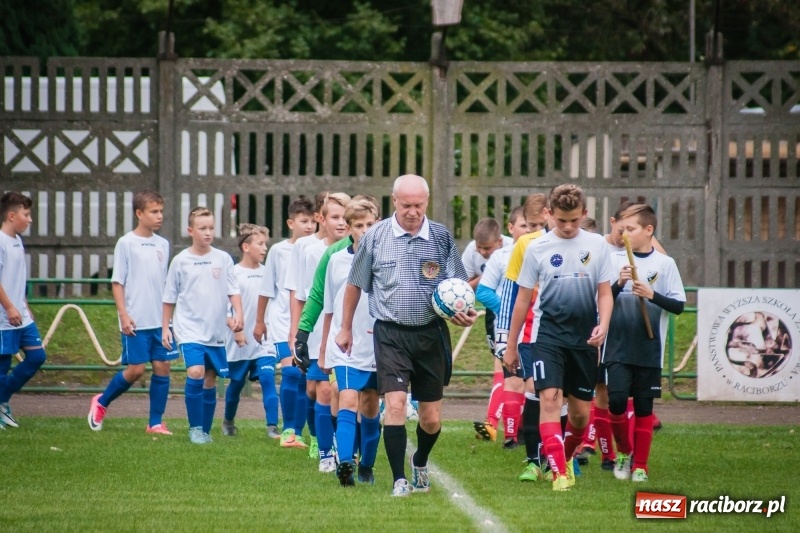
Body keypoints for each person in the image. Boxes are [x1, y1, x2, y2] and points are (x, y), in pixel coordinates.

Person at [335, 174, 478, 497]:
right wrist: (345, 328)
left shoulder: (440, 238)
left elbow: (458, 287)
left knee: (430, 418)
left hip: (430, 335)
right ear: (394, 201)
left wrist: (463, 313)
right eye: (406, 205)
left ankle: (420, 460)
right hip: (390, 333)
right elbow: (355, 283)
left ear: (426, 202)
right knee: (396, 405)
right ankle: (399, 479)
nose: (412, 211)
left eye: (418, 205)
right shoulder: (375, 237)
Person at [503, 184, 613, 491]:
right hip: (547, 337)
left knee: (579, 416)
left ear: (585, 215)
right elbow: (522, 300)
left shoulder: (597, 245)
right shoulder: (535, 247)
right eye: (561, 220)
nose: (567, 227)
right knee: (549, 400)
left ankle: (562, 458)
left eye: (574, 221)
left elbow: (605, 292)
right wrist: (511, 347)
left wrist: (603, 324)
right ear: (550, 214)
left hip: (584, 341)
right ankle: (560, 474)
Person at [606, 203, 685, 482]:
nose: (623, 234)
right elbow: (599, 301)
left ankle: (641, 465)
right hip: (616, 345)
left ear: (648, 230)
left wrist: (652, 295)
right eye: (622, 229)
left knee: (643, 408)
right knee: (615, 401)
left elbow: (678, 305)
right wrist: (617, 284)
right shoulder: (614, 260)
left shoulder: (665, 264)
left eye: (631, 229)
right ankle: (624, 451)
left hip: (649, 347)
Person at [88, 191, 177, 433]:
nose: (159, 216)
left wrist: (168, 320)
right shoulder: (126, 243)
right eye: (153, 212)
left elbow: (165, 284)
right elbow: (118, 282)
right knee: (136, 370)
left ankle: (155, 423)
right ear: (139, 214)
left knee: (163, 367)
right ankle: (101, 401)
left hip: (160, 321)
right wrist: (124, 315)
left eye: (161, 211)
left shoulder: (163, 244)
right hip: (136, 320)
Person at [162, 206, 243, 444]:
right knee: (195, 372)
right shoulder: (180, 261)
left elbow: (233, 290)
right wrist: (165, 326)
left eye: (210, 228)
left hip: (216, 330)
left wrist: (238, 313)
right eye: (202, 228)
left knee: (209, 378)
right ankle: (195, 429)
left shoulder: (223, 258)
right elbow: (169, 297)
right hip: (188, 329)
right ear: (190, 231)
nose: (207, 233)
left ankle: (205, 431)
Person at [320, 196, 382, 486]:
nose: (365, 230)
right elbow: (328, 310)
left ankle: (366, 465)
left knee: (370, 404)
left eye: (370, 224)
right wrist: (323, 350)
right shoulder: (336, 260)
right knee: (346, 398)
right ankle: (345, 462)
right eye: (359, 225)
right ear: (349, 228)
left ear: (379, 224)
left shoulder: (387, 258)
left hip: (379, 345)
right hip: (345, 345)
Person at [293, 192, 351, 472]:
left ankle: (345, 449)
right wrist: (298, 334)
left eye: (345, 217)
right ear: (322, 219)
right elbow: (305, 296)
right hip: (320, 334)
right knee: (322, 392)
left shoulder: (362, 250)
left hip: (352, 337)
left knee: (344, 392)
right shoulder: (312, 251)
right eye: (335, 217)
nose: (341, 223)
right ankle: (324, 449)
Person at [254, 195, 316, 448]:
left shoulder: (317, 249)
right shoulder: (279, 251)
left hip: (309, 324)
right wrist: (259, 321)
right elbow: (267, 289)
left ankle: (304, 432)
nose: (309, 226)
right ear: (291, 223)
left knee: (306, 379)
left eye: (313, 221)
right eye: (304, 221)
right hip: (282, 323)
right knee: (291, 372)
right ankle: (290, 429)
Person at [474, 207, 528, 448]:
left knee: (530, 381)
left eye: (534, 225)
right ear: (511, 229)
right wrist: (509, 310)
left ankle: (522, 428)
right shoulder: (502, 255)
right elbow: (482, 290)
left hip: (539, 326)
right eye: (525, 225)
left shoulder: (548, 250)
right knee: (506, 373)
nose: (530, 230)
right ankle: (495, 426)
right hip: (504, 324)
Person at [222, 224, 281, 439]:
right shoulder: (234, 274)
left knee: (268, 378)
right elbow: (224, 308)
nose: (265, 248)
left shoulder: (268, 273)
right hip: (240, 341)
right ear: (246, 247)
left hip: (264, 340)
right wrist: (235, 329)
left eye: (266, 244)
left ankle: (272, 427)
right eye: (260, 244)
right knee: (236, 384)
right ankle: (228, 421)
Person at [284, 191, 331, 458]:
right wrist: (295, 330)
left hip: (338, 329)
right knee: (313, 388)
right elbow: (297, 292)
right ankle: (315, 435)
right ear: (320, 216)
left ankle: (333, 444)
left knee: (332, 389)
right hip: (312, 328)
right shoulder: (305, 248)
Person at [463, 218, 514, 442]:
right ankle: (494, 423)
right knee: (502, 366)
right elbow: (462, 287)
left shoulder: (513, 248)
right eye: (479, 248)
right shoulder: (470, 252)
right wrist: (485, 279)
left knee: (515, 371)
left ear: (501, 241)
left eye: (488, 248)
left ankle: (503, 424)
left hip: (519, 313)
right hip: (495, 314)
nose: (482, 252)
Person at [0, 192, 47, 429]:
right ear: (11, 215)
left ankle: (2, 399)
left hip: (21, 315)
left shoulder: (18, 240)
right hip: (4, 317)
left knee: (38, 356)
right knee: (2, 364)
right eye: (25, 214)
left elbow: (16, 277)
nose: (29, 220)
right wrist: (9, 306)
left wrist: (23, 304)